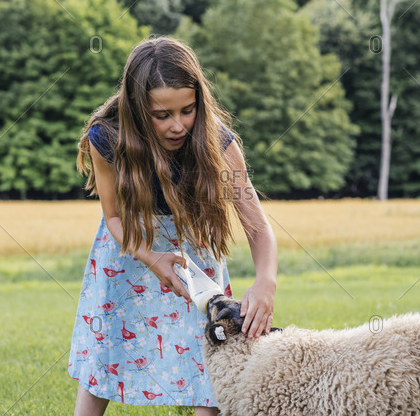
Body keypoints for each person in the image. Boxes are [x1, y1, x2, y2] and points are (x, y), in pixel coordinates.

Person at [68, 36, 278, 415]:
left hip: (192, 259)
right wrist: (150, 256)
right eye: (161, 115)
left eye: (188, 110)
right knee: (107, 352)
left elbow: (257, 227)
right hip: (130, 252)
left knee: (207, 357)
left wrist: (266, 280)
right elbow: (113, 217)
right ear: (135, 109)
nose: (178, 125)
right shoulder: (108, 139)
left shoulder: (218, 143)